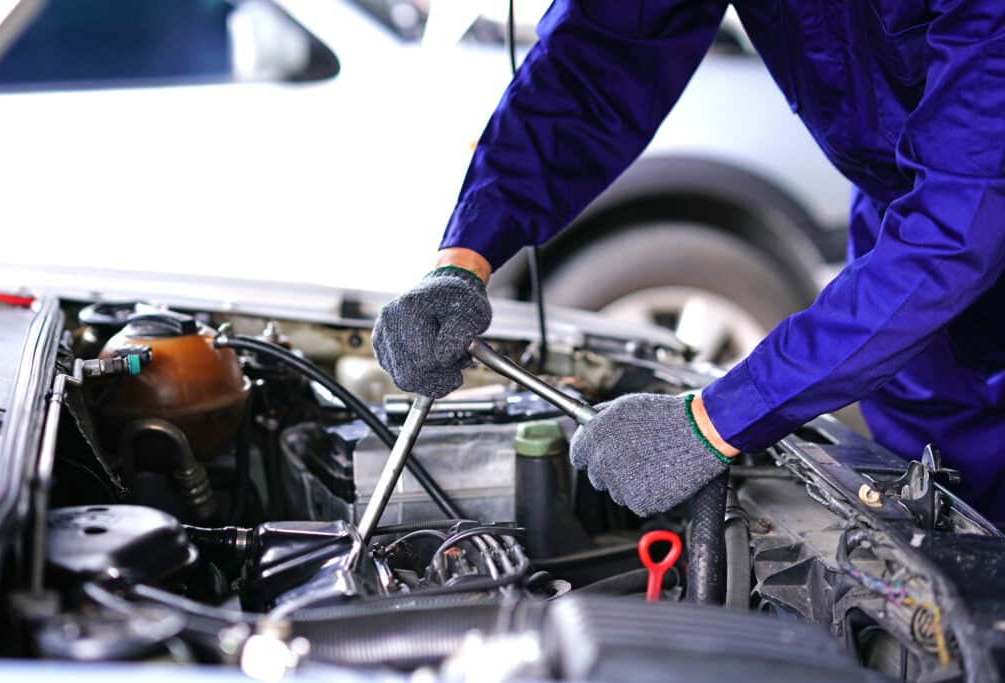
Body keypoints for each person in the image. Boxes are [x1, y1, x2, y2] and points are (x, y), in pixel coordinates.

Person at [372, 1, 1005, 522]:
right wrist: (465, 257)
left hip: (943, 234)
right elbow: (594, 65)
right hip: (902, 258)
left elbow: (966, 212)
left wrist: (714, 420)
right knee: (939, 526)